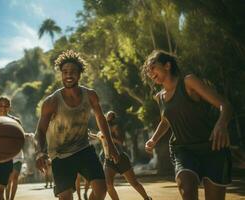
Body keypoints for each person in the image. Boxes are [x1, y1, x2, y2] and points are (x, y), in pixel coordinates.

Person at [143, 50, 232, 200]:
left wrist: (221, 123)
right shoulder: (160, 97)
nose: (150, 73)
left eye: (153, 67)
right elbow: (166, 121)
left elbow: (225, 105)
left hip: (213, 148)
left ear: (167, 65)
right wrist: (154, 139)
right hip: (184, 151)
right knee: (187, 190)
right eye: (148, 71)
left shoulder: (188, 81)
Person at [35, 50, 120, 200]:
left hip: (83, 149)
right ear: (61, 74)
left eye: (73, 71)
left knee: (101, 190)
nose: (69, 75)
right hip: (60, 155)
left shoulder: (90, 95)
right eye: (65, 72)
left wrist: (111, 145)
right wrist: (40, 152)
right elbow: (40, 130)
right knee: (66, 198)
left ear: (80, 74)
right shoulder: (51, 102)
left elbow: (101, 119)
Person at [90, 111, 151, 200]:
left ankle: (146, 198)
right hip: (108, 160)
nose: (109, 118)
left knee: (134, 183)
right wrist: (91, 134)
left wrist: (109, 137)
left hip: (121, 158)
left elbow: (121, 142)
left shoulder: (116, 128)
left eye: (112, 117)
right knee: (108, 185)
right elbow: (98, 136)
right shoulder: (102, 130)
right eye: (108, 116)